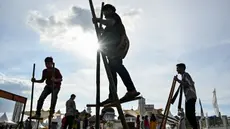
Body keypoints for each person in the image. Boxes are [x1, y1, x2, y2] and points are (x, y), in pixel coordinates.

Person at [92, 4, 140, 105]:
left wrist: (98, 20)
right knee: (112, 72)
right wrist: (99, 28)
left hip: (118, 46)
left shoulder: (114, 17)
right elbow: (105, 31)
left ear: (109, 10)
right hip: (111, 49)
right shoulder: (109, 25)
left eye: (105, 12)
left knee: (117, 65)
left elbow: (110, 23)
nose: (104, 15)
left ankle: (131, 90)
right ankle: (112, 95)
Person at [174, 63, 198, 129]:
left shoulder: (186, 75)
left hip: (191, 96)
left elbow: (189, 84)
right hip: (188, 98)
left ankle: (195, 127)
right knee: (188, 115)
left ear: (182, 68)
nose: (176, 69)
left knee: (190, 114)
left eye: (177, 68)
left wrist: (178, 80)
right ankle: (195, 127)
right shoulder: (183, 77)